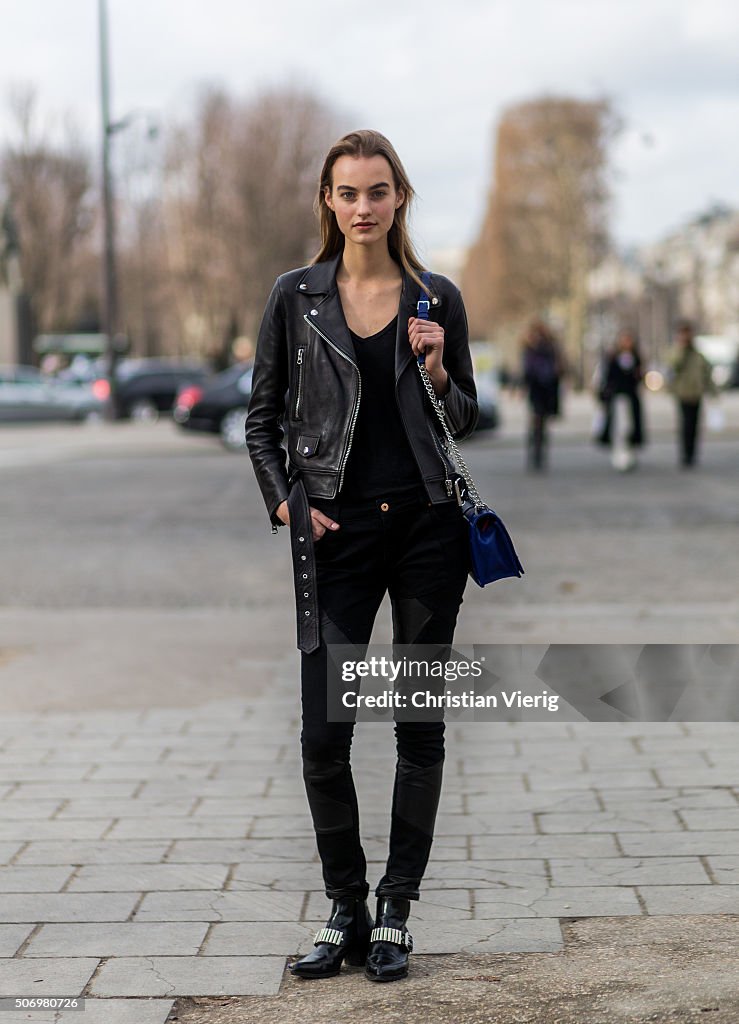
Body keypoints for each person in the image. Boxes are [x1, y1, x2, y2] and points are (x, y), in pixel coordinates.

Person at [245, 129, 478, 983]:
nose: (363, 207)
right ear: (328, 202)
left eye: (378, 191)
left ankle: (396, 912)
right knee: (324, 737)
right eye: (348, 193)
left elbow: (463, 421)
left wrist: (441, 368)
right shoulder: (293, 297)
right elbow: (261, 418)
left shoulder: (434, 297)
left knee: (417, 729)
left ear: (399, 198)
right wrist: (284, 501)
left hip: (425, 534)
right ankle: (342, 905)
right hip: (335, 537)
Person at [667, 319, 716, 467]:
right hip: (683, 393)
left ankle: (692, 453)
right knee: (686, 424)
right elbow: (673, 366)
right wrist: (681, 348)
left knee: (694, 424)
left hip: (696, 393)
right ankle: (685, 454)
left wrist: (713, 390)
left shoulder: (697, 354)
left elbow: (706, 372)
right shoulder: (677, 351)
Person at [596, 329, 645, 471]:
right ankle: (619, 455)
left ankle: (630, 453)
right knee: (618, 427)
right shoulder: (613, 357)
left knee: (630, 427)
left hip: (631, 397)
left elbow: (639, 377)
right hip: (617, 397)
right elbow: (608, 377)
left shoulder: (635, 357)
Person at [521, 319, 565, 471]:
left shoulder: (544, 348)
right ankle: (536, 454)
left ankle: (538, 453)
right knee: (538, 422)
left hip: (545, 389)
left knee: (540, 423)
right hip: (539, 389)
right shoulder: (534, 348)